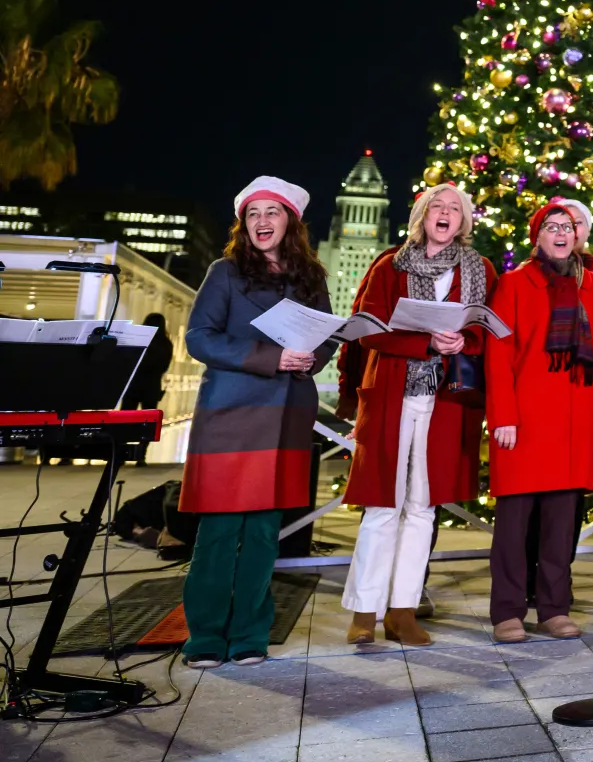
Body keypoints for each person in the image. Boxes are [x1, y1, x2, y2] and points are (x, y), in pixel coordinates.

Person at [180, 177, 334, 669]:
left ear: (291, 221)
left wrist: (314, 358)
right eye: (253, 213)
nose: (263, 222)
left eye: (273, 212)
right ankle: (204, 636)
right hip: (231, 415)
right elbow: (199, 338)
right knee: (220, 531)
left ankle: (250, 634)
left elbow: (326, 338)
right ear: (243, 223)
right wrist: (273, 358)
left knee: (266, 532)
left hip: (287, 415)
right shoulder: (224, 272)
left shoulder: (310, 277)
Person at [339, 185, 497, 646]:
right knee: (383, 503)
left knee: (423, 506)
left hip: (447, 398)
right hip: (393, 392)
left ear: (464, 222)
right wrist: (423, 342)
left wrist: (464, 341)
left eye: (455, 209)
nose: (445, 214)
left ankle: (402, 611)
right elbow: (366, 330)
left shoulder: (481, 269)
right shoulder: (391, 264)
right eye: (437, 207)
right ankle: (365, 612)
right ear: (422, 216)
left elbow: (488, 329)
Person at [485, 201, 593, 643]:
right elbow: (498, 354)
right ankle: (507, 611)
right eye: (551, 227)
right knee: (514, 523)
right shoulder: (513, 283)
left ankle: (553, 608)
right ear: (537, 236)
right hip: (524, 421)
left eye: (568, 226)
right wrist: (503, 415)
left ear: (578, 235)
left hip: (575, 423)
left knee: (562, 525)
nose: (561, 233)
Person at [125, 312, 173, 464]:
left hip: (134, 384)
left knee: (125, 418)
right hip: (152, 385)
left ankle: (121, 452)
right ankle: (141, 454)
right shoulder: (166, 344)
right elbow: (165, 367)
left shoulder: (138, 341)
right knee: (148, 420)